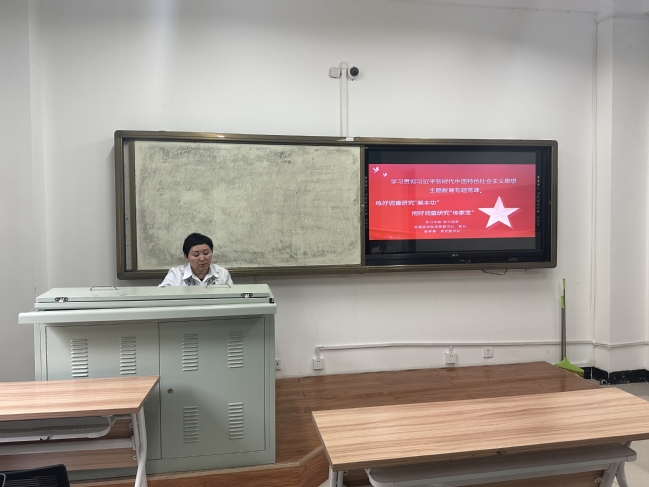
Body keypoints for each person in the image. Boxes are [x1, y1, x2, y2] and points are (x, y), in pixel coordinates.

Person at [159, 233, 233, 286]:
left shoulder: (222, 273)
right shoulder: (176, 274)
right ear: (186, 257)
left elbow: (233, 299)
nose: (202, 259)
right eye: (196, 255)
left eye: (206, 253)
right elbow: (161, 297)